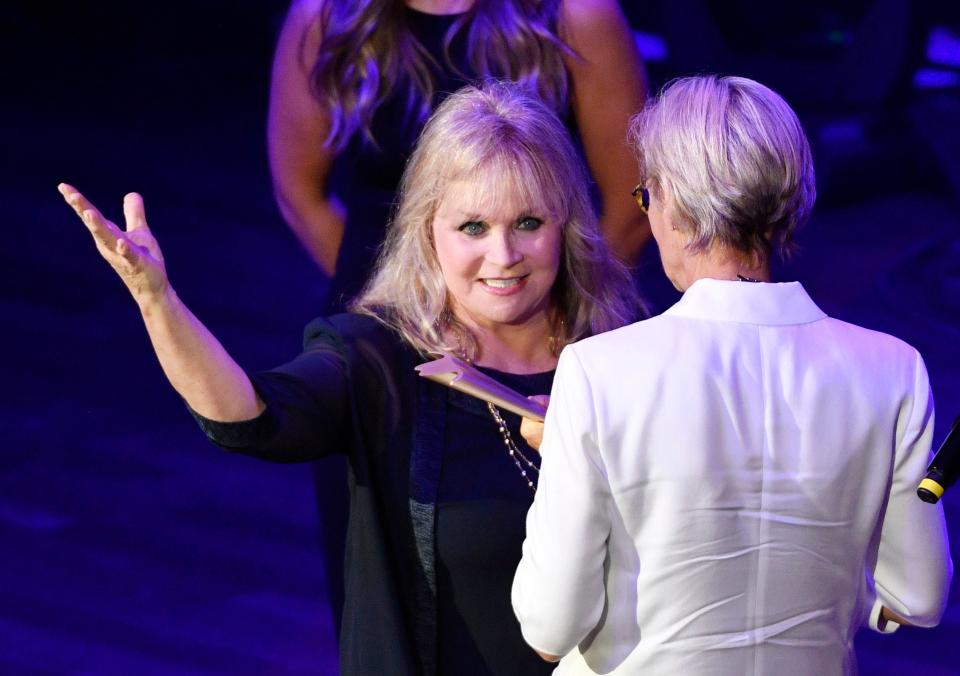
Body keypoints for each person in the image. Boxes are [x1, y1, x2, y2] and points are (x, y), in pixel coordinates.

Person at [60, 82, 642, 676]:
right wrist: (158, 301)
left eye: (527, 222)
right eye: (472, 227)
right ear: (427, 230)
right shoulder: (377, 360)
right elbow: (249, 417)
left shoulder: (621, 355)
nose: (503, 255)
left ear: (566, 222)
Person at [512, 75, 953, 674]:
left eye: (646, 198)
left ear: (670, 201)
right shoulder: (895, 369)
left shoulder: (597, 372)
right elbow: (919, 597)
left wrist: (564, 454)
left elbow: (549, 627)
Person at [269, 0, 650, 626]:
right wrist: (414, 312)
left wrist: (541, 311)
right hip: (386, 358)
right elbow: (300, 193)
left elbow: (630, 204)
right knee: (380, 596)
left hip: (536, 351)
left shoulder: (576, 15)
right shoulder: (328, 16)